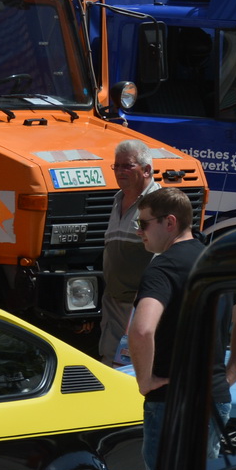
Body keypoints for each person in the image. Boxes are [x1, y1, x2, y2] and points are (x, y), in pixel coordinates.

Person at [127, 186, 236, 469]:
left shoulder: (161, 269)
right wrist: (228, 378)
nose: (139, 231)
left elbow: (142, 330)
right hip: (214, 399)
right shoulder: (216, 261)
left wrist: (145, 381)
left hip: (171, 402)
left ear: (169, 222)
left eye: (143, 223)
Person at [99, 139, 158, 365]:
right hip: (113, 302)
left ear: (146, 170)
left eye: (128, 166)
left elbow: (164, 257)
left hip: (139, 306)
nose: (120, 171)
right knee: (109, 362)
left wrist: (143, 304)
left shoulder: (158, 203)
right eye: (117, 166)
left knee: (137, 365)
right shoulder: (117, 200)